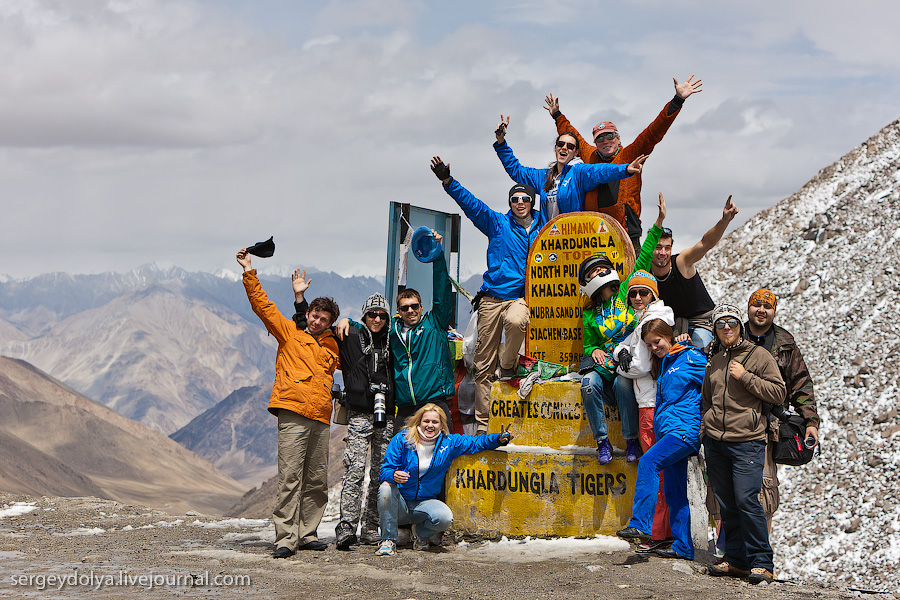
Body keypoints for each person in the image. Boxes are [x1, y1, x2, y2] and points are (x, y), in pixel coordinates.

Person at [236, 249, 340, 558]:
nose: (318, 320)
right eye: (315, 315)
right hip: (293, 412)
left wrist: (348, 323)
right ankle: (285, 538)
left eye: (325, 318)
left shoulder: (333, 344)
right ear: (307, 315)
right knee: (291, 476)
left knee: (317, 479)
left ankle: (307, 533)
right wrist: (248, 271)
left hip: (321, 416)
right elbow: (262, 306)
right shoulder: (289, 333)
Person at [430, 156, 544, 434]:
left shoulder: (546, 226)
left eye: (525, 198)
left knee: (518, 322)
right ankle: (483, 428)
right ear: (510, 202)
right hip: (492, 298)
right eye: (515, 198)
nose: (520, 202)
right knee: (482, 366)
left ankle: (507, 366)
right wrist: (448, 181)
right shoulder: (497, 223)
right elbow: (472, 205)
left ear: (532, 202)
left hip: (519, 297)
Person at [544, 74, 702, 251]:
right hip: (592, 239)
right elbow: (573, 136)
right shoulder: (590, 156)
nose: (606, 141)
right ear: (595, 143)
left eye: (610, 136)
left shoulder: (630, 155)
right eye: (600, 139)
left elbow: (653, 132)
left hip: (626, 236)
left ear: (618, 139)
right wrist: (557, 115)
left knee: (631, 279)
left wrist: (677, 100)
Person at [292, 284, 395, 550]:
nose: (377, 319)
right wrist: (301, 301)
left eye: (382, 315)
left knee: (382, 473)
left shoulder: (394, 340)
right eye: (372, 314)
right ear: (364, 315)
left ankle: (372, 527)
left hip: (388, 416)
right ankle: (347, 527)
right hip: (359, 414)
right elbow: (312, 328)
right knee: (354, 471)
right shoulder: (349, 335)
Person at [337, 231, 455, 433]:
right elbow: (372, 326)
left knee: (441, 458)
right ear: (398, 312)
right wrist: (347, 320)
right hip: (406, 407)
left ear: (421, 307)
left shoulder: (434, 325)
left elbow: (442, 292)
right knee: (402, 460)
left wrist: (438, 255)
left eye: (414, 306)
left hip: (434, 403)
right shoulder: (393, 333)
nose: (410, 310)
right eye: (405, 308)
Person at [579, 193, 666, 465]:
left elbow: (643, 257)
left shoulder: (626, 293)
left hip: (628, 364)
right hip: (603, 365)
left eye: (600, 269)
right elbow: (587, 345)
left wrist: (659, 222)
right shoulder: (589, 314)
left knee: (623, 384)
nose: (597, 275)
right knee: (588, 384)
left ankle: (630, 440)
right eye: (591, 273)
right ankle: (602, 441)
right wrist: (592, 350)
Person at [702, 304, 786, 584]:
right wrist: (706, 431)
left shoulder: (758, 355)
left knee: (747, 500)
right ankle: (735, 560)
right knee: (727, 503)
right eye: (721, 323)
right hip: (716, 442)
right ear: (715, 329)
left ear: (740, 326)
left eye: (732, 322)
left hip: (748, 442)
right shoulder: (714, 360)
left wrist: (745, 376)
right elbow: (707, 400)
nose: (727, 327)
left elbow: (778, 393)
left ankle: (762, 562)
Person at [616, 319, 706, 561]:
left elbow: (713, 382)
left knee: (649, 463)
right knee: (674, 491)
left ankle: (641, 524)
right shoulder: (666, 362)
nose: (654, 347)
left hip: (684, 431)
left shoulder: (691, 357)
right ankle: (683, 546)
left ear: (669, 336)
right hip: (669, 431)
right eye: (649, 345)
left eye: (657, 342)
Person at [375, 404, 512, 555]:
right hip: (399, 503)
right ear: (419, 422)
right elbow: (385, 471)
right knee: (386, 488)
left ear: (442, 425)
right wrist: (393, 475)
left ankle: (420, 535)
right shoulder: (402, 439)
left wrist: (499, 439)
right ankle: (388, 540)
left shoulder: (449, 442)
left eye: (435, 422)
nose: (430, 425)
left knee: (445, 518)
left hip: (424, 504)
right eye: (426, 421)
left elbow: (476, 442)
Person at [613, 267, 686, 550]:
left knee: (655, 468)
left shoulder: (650, 322)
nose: (638, 297)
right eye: (633, 293)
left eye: (644, 292)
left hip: (649, 403)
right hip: (653, 401)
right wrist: (623, 352)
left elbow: (641, 365)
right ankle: (661, 532)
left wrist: (621, 363)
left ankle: (656, 534)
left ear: (653, 294)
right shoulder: (647, 319)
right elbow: (625, 346)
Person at [744, 288, 820, 530]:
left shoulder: (785, 344)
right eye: (757, 305)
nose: (761, 310)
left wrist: (811, 423)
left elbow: (801, 385)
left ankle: (760, 558)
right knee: (726, 489)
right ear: (749, 307)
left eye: (767, 307)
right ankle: (729, 553)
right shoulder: (732, 334)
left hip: (767, 428)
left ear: (774, 311)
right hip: (732, 423)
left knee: (764, 490)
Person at [493, 115, 647, 221]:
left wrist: (625, 169)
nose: (564, 148)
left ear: (575, 152)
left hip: (574, 242)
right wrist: (501, 143)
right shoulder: (544, 177)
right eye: (561, 144)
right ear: (555, 148)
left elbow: (601, 171)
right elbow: (517, 171)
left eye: (570, 146)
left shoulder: (579, 172)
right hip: (549, 241)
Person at [650, 195, 739, 349]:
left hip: (701, 322)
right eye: (658, 247)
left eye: (667, 248)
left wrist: (724, 221)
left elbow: (705, 244)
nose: (662, 252)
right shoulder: (645, 272)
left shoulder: (682, 262)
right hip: (669, 326)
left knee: (700, 353)